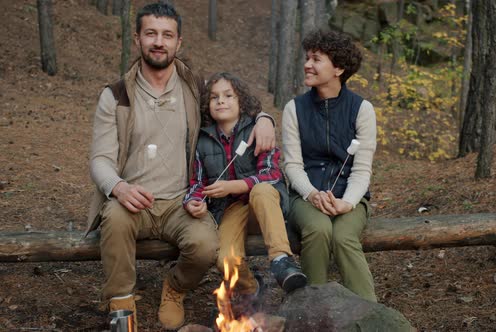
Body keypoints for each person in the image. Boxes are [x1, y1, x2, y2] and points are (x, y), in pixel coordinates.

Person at [86, 3, 276, 330]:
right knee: (115, 219)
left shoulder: (193, 88)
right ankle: (121, 306)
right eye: (151, 34)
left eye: (167, 35)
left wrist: (264, 118)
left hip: (181, 202)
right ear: (137, 39)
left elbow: (233, 109)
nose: (159, 42)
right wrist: (119, 187)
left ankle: (175, 287)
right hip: (135, 199)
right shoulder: (116, 95)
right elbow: (100, 158)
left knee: (205, 246)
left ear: (178, 43)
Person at [183, 72, 307, 306]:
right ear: (206, 105)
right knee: (226, 260)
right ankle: (252, 287)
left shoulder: (257, 129)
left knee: (259, 191)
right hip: (231, 208)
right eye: (214, 97)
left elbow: (272, 175)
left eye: (229, 96)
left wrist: (236, 185)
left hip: (266, 203)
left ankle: (282, 260)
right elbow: (197, 182)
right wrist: (194, 200)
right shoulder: (201, 140)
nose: (221, 101)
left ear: (241, 101)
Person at [282, 29, 378, 302]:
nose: (308, 65)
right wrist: (312, 194)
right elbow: (292, 165)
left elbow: (361, 170)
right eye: (307, 58)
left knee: (344, 237)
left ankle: (370, 314)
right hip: (305, 195)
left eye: (316, 59)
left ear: (338, 68)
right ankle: (313, 309)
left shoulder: (362, 109)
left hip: (351, 198)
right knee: (319, 229)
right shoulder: (294, 109)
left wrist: (347, 203)